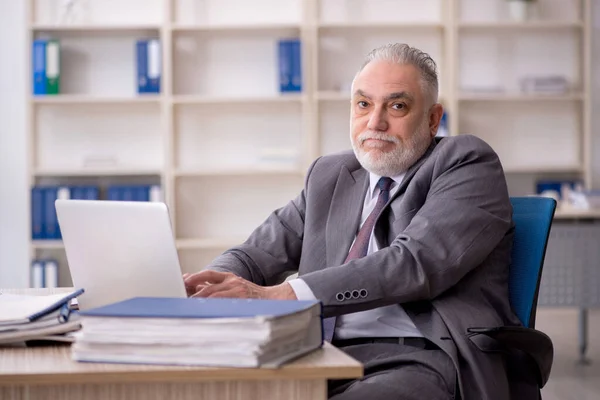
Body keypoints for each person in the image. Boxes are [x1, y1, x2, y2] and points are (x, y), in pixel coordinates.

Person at [183, 43, 550, 400]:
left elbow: (415, 263)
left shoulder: (466, 161)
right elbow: (255, 254)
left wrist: (285, 294)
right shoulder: (331, 174)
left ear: (433, 118)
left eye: (398, 105)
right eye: (363, 104)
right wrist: (205, 288)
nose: (376, 122)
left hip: (421, 356)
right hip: (314, 353)